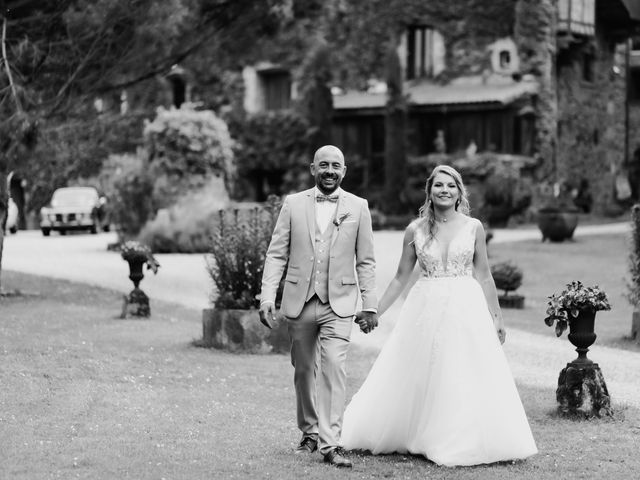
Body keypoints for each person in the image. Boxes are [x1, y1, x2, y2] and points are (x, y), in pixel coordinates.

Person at [341, 165, 537, 466]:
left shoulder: (474, 227)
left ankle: (460, 438)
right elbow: (399, 278)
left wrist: (496, 317)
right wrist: (373, 311)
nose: (444, 190)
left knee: (463, 370)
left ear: (459, 192)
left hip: (465, 306)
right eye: (438, 186)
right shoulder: (415, 229)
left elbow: (484, 275)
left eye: (451, 185)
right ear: (429, 191)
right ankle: (421, 433)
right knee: (423, 370)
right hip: (426, 307)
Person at [259, 145, 378, 468]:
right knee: (303, 370)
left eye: (335, 166)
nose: (329, 171)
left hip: (339, 304)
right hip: (299, 301)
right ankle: (309, 431)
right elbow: (277, 254)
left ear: (344, 171)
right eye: (323, 165)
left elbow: (365, 261)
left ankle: (331, 443)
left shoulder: (358, 206)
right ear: (313, 169)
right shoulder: (294, 204)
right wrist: (268, 296)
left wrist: (370, 304)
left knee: (334, 368)